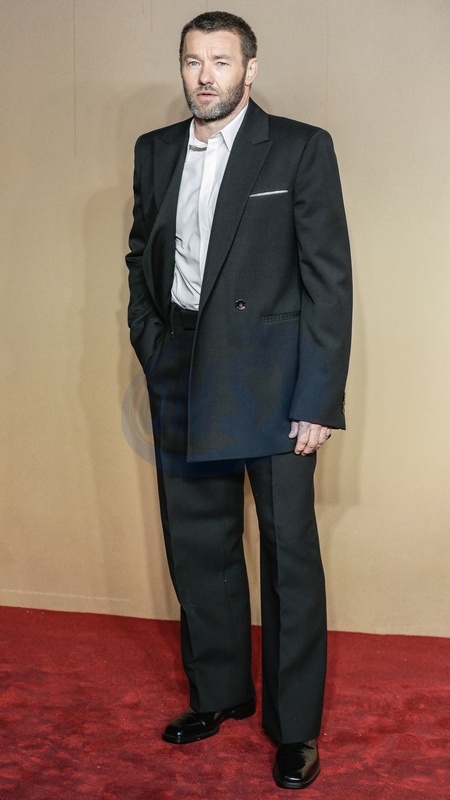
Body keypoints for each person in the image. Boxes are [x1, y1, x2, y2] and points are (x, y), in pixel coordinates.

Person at [126, 10, 352, 790]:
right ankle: (219, 692)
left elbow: (329, 282)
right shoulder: (155, 150)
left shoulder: (299, 147)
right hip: (182, 367)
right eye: (193, 61)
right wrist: (151, 340)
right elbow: (141, 254)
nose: (205, 76)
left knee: (290, 556)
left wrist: (317, 398)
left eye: (221, 61)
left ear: (250, 70)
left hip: (274, 382)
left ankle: (295, 729)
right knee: (198, 545)